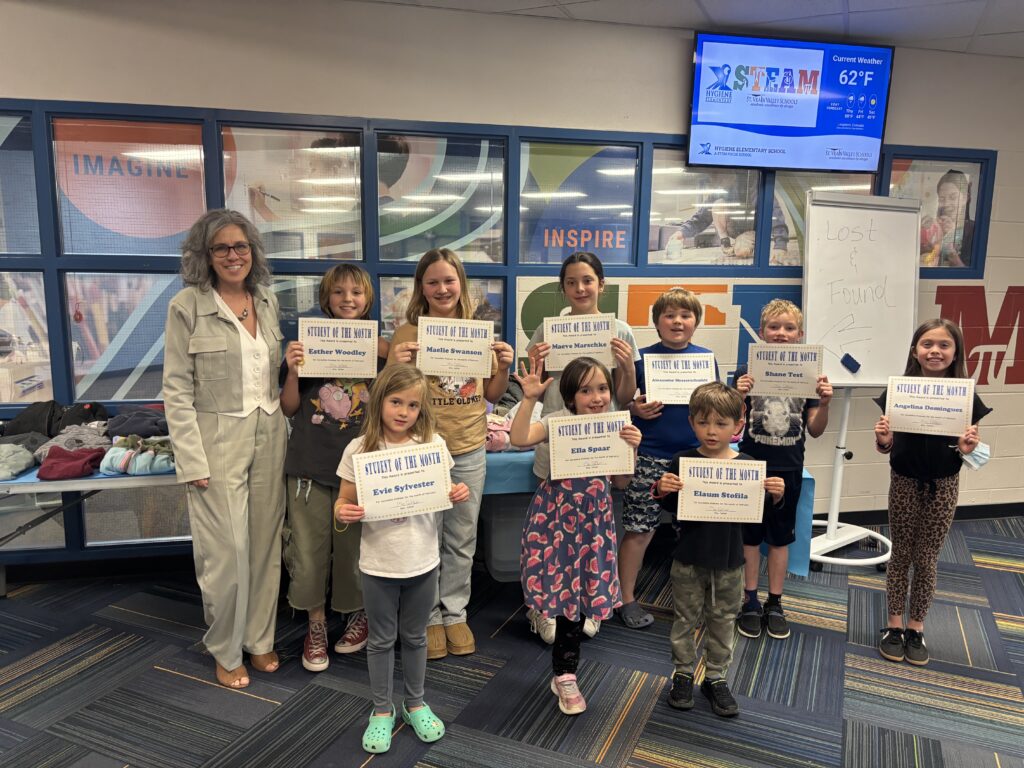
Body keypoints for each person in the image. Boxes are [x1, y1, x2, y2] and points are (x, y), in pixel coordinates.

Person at [163, 209, 287, 689]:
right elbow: (176, 389)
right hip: (215, 439)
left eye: (241, 246)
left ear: (252, 252)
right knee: (226, 550)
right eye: (222, 248)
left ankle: (258, 639)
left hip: (271, 432)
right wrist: (190, 458)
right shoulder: (186, 306)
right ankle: (225, 646)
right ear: (206, 255)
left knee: (264, 545)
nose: (234, 256)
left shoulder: (267, 300)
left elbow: (272, 375)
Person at [387, 248, 515, 659]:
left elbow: (491, 395)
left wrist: (504, 368)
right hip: (423, 449)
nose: (442, 289)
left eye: (449, 280)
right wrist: (392, 361)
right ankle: (428, 616)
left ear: (461, 284)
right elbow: (390, 396)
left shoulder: (478, 330)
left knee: (462, 537)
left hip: (469, 447)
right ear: (421, 288)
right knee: (425, 535)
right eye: (432, 282)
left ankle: (455, 612)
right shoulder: (409, 333)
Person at [334, 363, 469, 754]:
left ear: (421, 409)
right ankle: (381, 710)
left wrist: (456, 492)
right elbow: (343, 500)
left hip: (422, 561)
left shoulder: (432, 445)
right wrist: (343, 511)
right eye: (396, 402)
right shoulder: (359, 449)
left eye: (412, 405)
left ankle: (415, 703)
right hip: (378, 563)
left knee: (414, 637)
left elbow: (445, 490)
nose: (403, 412)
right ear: (380, 402)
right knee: (380, 640)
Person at [510, 356, 641, 715]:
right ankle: (563, 673)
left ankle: (566, 673)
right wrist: (530, 399)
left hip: (594, 525)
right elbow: (519, 437)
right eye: (586, 390)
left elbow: (622, 483)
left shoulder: (616, 426)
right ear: (571, 397)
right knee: (560, 595)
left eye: (602, 388)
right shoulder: (557, 422)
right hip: (555, 523)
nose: (596, 397)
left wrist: (631, 448)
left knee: (582, 599)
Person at [280, 264, 390, 672]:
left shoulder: (382, 351)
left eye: (356, 293)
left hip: (362, 471)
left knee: (353, 552)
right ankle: (316, 623)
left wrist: (389, 353)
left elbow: (397, 403)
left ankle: (356, 613)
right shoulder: (309, 345)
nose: (348, 299)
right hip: (310, 467)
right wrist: (292, 370)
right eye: (339, 292)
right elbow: (289, 407)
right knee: (307, 553)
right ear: (325, 300)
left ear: (368, 300)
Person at [653, 382, 784, 717]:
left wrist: (776, 496)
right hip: (688, 557)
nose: (711, 431)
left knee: (723, 618)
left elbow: (760, 519)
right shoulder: (682, 461)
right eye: (703, 422)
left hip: (729, 561)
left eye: (721, 424)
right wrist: (662, 488)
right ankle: (682, 672)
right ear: (692, 422)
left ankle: (715, 677)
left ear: (737, 426)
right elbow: (670, 507)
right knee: (684, 618)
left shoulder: (749, 465)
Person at [527, 250, 639, 641]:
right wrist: (533, 363)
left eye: (587, 280)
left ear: (601, 285)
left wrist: (625, 366)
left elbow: (624, 398)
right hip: (556, 441)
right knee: (552, 536)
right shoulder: (547, 331)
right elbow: (535, 388)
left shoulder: (620, 331)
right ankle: (544, 607)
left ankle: (587, 602)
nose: (580, 288)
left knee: (591, 535)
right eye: (571, 282)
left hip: (599, 448)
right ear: (563, 289)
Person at [873, 319, 990, 666]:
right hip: (904, 481)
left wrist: (968, 448)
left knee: (926, 559)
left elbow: (970, 449)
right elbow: (887, 444)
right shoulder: (899, 391)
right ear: (915, 351)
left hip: (943, 485)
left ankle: (916, 627)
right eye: (927, 344)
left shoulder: (965, 396)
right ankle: (893, 626)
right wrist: (882, 441)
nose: (935, 351)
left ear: (955, 353)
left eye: (943, 345)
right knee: (901, 555)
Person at [732, 300, 832, 640]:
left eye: (789, 328)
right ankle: (749, 600)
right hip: (749, 465)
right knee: (749, 538)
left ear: (800, 335)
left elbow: (816, 429)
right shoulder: (746, 370)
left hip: (788, 467)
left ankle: (775, 601)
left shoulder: (810, 375)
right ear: (762, 333)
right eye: (774, 327)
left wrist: (826, 402)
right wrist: (736, 394)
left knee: (779, 537)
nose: (781, 334)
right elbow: (731, 424)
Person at [618, 288, 713, 630]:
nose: (677, 321)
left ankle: (691, 600)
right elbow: (622, 402)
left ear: (695, 322)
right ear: (657, 322)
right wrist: (634, 408)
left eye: (685, 315)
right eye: (670, 315)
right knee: (639, 531)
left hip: (694, 459)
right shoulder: (641, 360)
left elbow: (714, 409)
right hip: (649, 457)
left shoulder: (707, 359)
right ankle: (625, 598)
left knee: (693, 532)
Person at [677, 172, 790, 264]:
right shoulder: (719, 191)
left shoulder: (752, 184)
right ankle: (727, 243)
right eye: (713, 180)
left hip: (753, 231)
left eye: (717, 178)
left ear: (730, 175)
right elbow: (701, 217)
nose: (715, 182)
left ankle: (747, 246)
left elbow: (771, 209)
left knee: (741, 252)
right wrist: (681, 232)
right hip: (734, 231)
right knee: (718, 204)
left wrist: (780, 244)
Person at [920, 169, 974, 267]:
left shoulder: (973, 231)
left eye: (953, 197)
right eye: (942, 199)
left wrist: (949, 244)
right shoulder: (933, 226)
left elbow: (968, 276)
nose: (946, 204)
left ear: (965, 198)